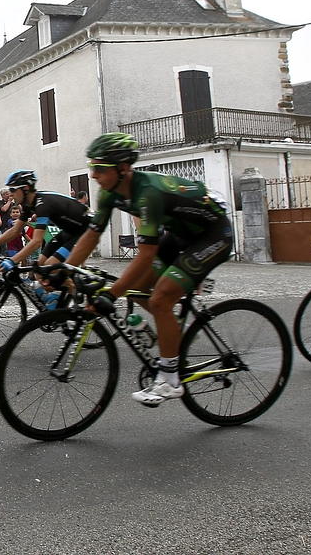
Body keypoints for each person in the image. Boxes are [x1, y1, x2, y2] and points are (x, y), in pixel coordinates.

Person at [61, 134, 234, 406]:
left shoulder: (149, 194)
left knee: (160, 298)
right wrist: (66, 269)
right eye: (92, 166)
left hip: (212, 235)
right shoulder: (109, 192)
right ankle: (176, 330)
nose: (93, 175)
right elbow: (92, 235)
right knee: (134, 288)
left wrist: (110, 295)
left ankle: (169, 380)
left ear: (124, 169)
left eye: (100, 168)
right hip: (179, 235)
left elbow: (144, 257)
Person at [0, 170, 91, 305]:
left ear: (25, 189)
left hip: (86, 231)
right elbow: (15, 230)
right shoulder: (28, 205)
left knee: (50, 267)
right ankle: (64, 303)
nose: (11, 194)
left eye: (13, 189)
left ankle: (74, 298)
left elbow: (37, 241)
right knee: (38, 270)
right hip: (69, 231)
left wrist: (12, 261)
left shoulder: (42, 204)